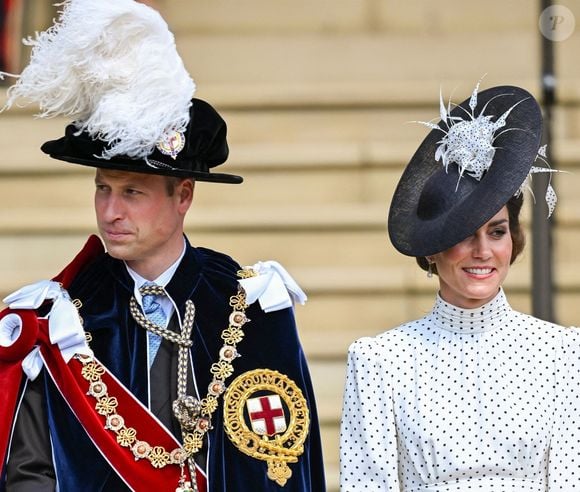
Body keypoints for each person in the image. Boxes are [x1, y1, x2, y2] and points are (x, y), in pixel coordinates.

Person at [0, 1, 325, 491]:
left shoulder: (250, 305)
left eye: (132, 192)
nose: (111, 211)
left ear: (184, 197)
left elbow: (284, 463)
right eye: (102, 188)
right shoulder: (56, 319)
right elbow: (29, 472)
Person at [340, 81, 580, 490]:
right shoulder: (379, 362)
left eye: (497, 231)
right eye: (464, 233)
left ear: (513, 240)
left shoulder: (563, 352)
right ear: (431, 250)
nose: (482, 250)